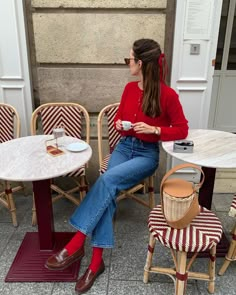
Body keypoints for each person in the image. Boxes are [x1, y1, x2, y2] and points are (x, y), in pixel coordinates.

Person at [45, 38, 189, 294]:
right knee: (108, 190)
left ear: (141, 63)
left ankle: (77, 242)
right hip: (123, 147)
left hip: (145, 155)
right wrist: (122, 124)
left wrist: (155, 129)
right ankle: (95, 264)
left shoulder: (168, 95)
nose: (128, 64)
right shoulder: (129, 89)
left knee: (107, 181)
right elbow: (120, 118)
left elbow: (182, 129)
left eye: (130, 60)